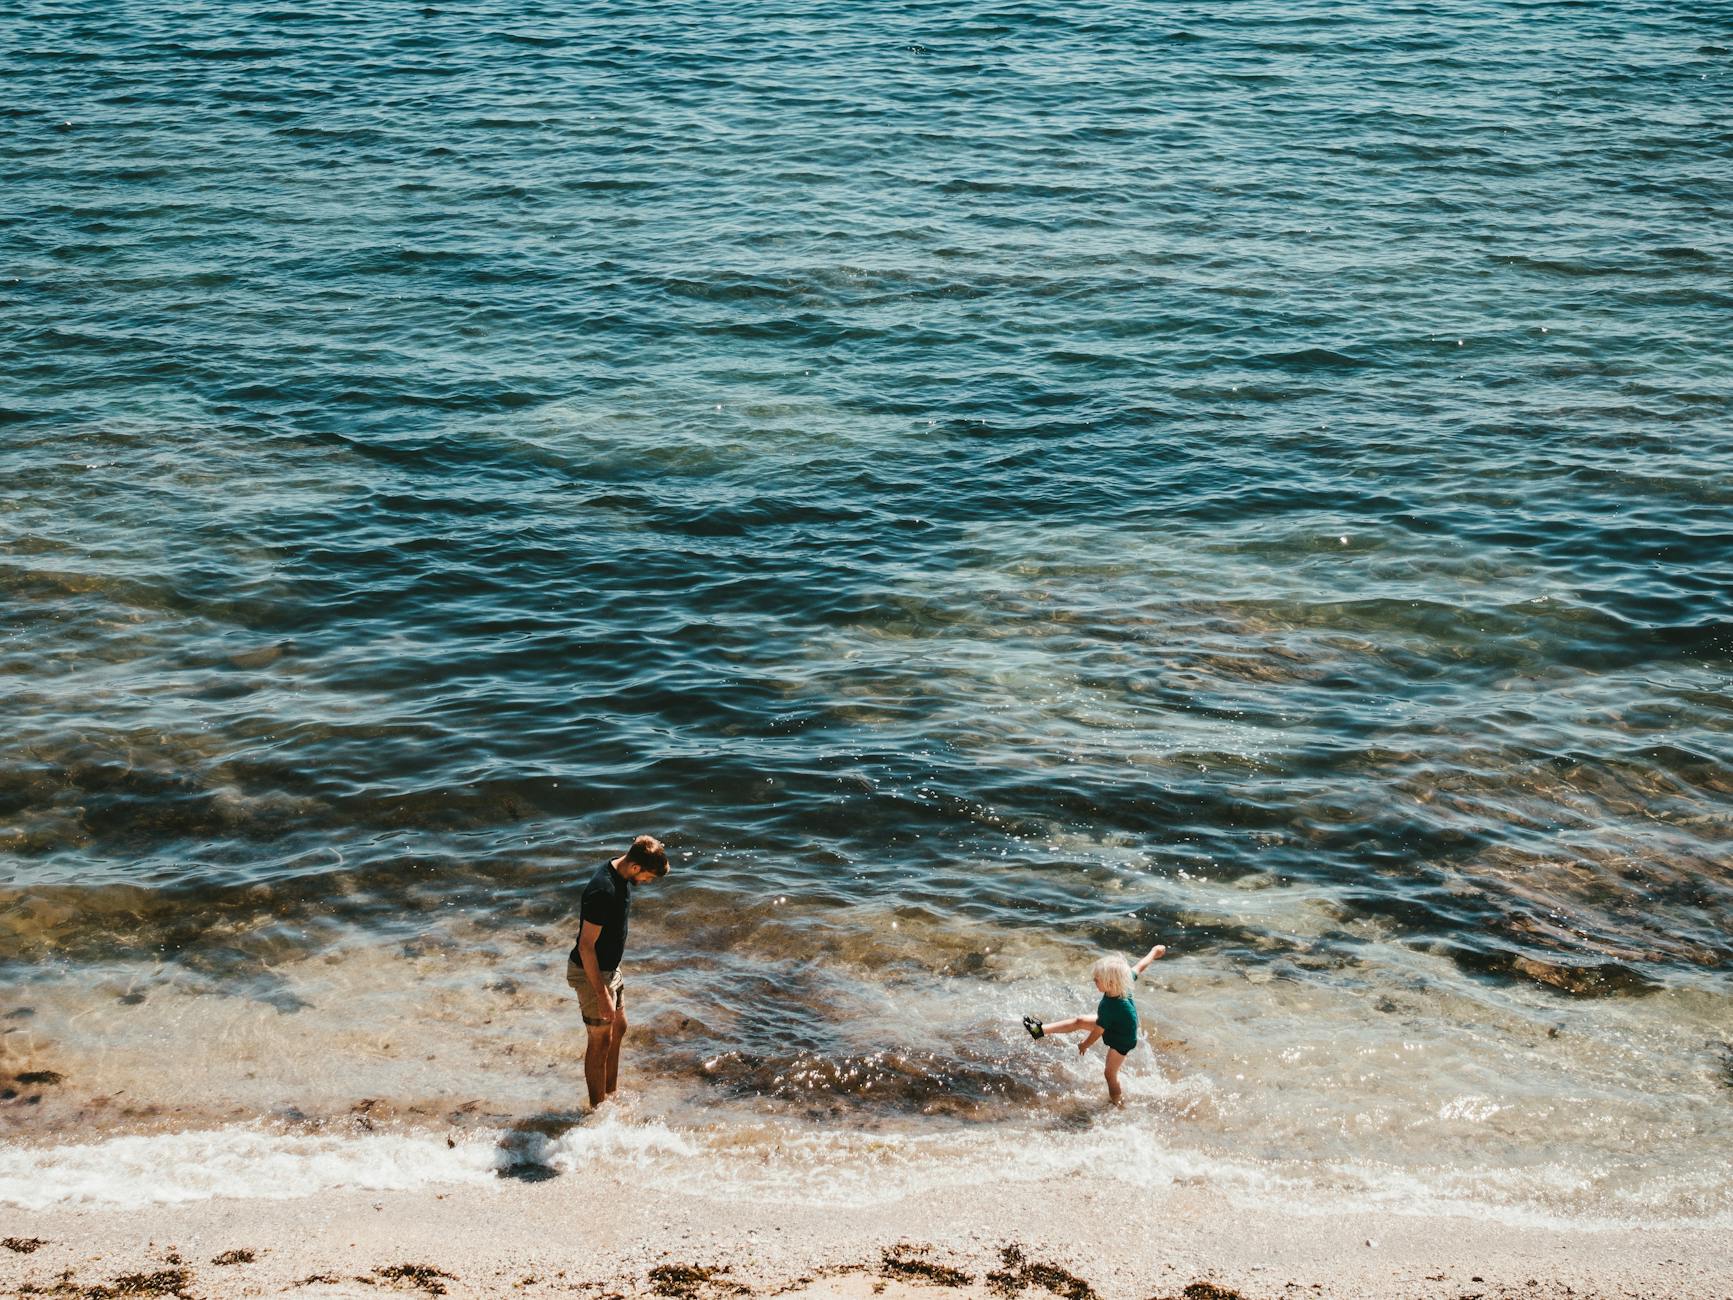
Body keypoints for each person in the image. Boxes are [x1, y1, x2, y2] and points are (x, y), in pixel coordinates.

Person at [567, 835, 669, 1108]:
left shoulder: (621, 874)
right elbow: (586, 946)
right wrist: (601, 994)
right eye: (648, 877)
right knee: (600, 1040)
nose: (647, 883)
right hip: (591, 972)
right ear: (635, 867)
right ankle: (597, 1110)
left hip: (610, 968)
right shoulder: (603, 890)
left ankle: (610, 1094)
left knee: (619, 1028)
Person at [1022, 942, 1167, 1104]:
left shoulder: (1110, 1006)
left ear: (1110, 983)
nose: (1094, 981)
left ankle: (1117, 1103)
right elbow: (1140, 966)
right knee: (1080, 1021)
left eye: (1097, 980)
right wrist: (1154, 952)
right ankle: (1039, 1031)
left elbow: (1098, 1031)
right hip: (1117, 1024)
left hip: (1123, 1039)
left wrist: (1085, 1044)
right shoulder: (1124, 982)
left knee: (1109, 1074)